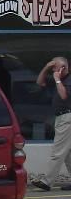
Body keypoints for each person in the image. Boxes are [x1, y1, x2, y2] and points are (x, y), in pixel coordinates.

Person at [31, 56, 71, 191]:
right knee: (68, 154)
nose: (54, 69)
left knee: (58, 152)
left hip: (67, 117)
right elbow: (39, 83)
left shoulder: (67, 80)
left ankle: (46, 182)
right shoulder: (57, 79)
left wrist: (57, 79)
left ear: (64, 67)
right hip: (62, 118)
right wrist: (46, 68)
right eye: (52, 67)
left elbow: (64, 96)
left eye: (56, 66)